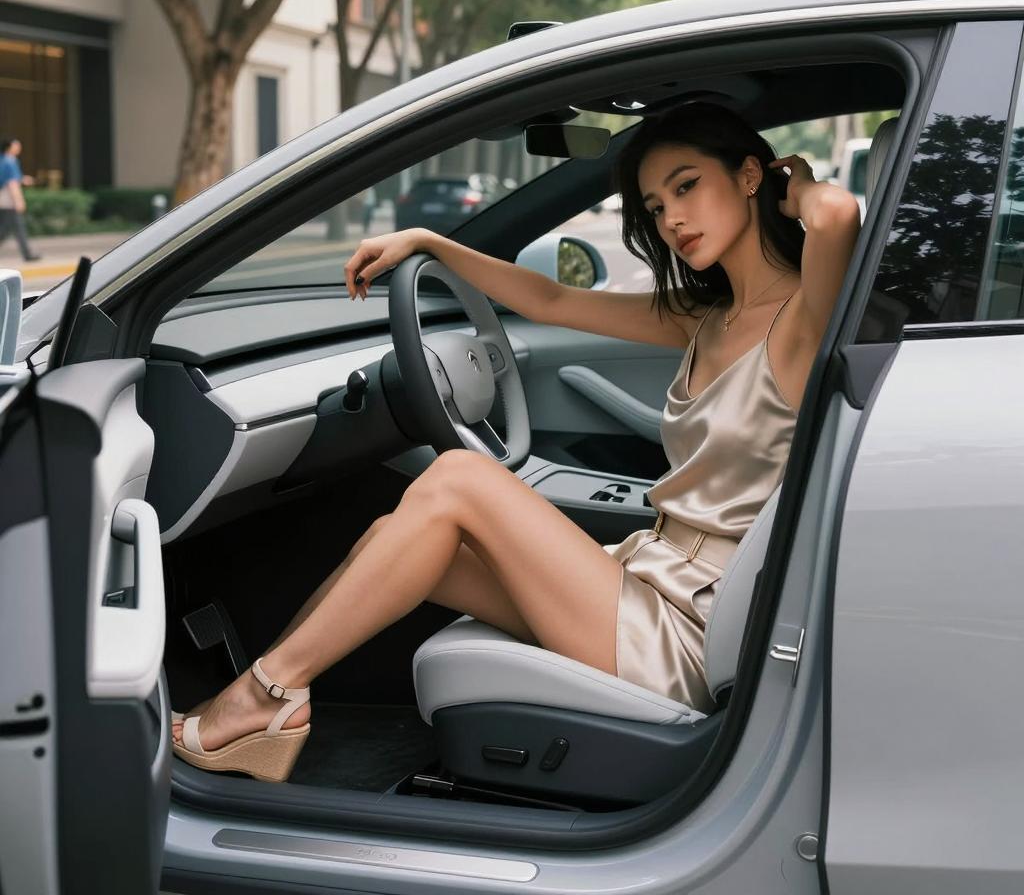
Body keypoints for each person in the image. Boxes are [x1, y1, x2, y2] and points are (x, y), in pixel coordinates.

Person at [171, 102, 861, 782]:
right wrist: (430, 243)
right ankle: (272, 692)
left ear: (747, 176)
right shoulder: (705, 319)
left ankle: (262, 699)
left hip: (686, 632)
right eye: (654, 206)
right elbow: (551, 303)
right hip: (646, 574)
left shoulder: (799, 325)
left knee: (457, 482)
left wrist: (794, 186)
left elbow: (837, 217)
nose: (672, 219)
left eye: (687, 186)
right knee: (408, 537)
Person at [0, 138, 40, 261]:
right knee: (16, 228)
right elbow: (12, 183)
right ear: (9, 147)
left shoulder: (3, 159)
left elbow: (11, 178)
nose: (19, 147)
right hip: (9, 199)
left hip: (3, 198)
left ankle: (27, 254)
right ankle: (28, 255)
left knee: (7, 229)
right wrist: (19, 201)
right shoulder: (10, 161)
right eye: (16, 145)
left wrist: (23, 179)